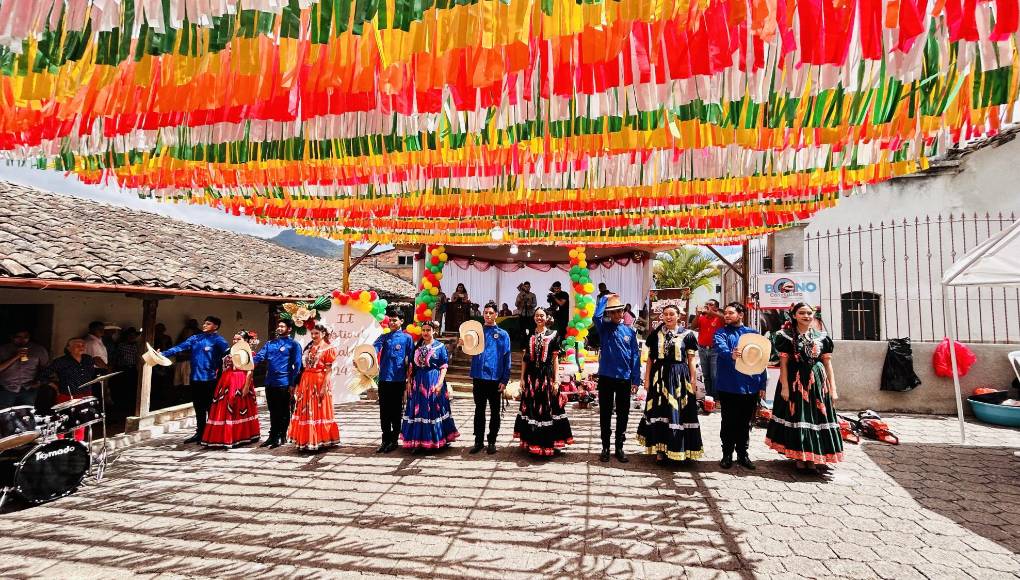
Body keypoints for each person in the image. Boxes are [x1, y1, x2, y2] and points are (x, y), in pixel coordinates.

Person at [765, 303, 844, 471]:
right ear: (794, 315)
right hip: (796, 382)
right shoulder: (784, 336)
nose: (806, 316)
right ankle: (799, 456)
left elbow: (827, 364)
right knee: (799, 416)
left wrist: (833, 389)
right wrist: (784, 387)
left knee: (817, 417)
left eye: (809, 313)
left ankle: (815, 456)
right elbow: (784, 365)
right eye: (801, 313)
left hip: (817, 383)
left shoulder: (822, 337)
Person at [636, 305, 703, 463]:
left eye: (672, 314)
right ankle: (660, 449)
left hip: (679, 377)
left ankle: (678, 448)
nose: (668, 317)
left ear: (679, 316)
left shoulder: (687, 335)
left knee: (677, 411)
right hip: (658, 378)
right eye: (665, 314)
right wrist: (646, 380)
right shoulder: (655, 335)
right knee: (659, 411)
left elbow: (691, 359)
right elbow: (650, 360)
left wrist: (693, 380)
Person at [713, 302, 768, 470]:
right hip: (728, 385)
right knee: (728, 421)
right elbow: (721, 349)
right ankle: (727, 454)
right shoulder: (721, 333)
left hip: (750, 385)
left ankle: (743, 454)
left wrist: (762, 384)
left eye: (731, 313)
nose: (727, 316)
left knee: (745, 422)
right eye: (726, 313)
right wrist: (730, 354)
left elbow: (762, 360)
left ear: (741, 315)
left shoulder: (753, 334)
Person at [514, 308, 573, 456]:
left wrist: (556, 380)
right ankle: (532, 442)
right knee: (532, 407)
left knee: (549, 406)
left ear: (547, 317)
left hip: (547, 376)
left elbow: (555, 360)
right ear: (534, 317)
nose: (539, 317)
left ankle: (548, 443)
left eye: (542, 315)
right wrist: (521, 378)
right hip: (531, 377)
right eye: (537, 315)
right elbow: (525, 359)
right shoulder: (528, 335)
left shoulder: (553, 335)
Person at [161, 316, 229, 444]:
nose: (204, 325)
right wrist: (163, 354)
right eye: (204, 323)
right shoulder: (195, 338)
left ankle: (213, 433)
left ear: (215, 327)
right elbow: (179, 347)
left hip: (211, 379)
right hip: (195, 378)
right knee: (198, 407)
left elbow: (229, 356)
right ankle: (200, 432)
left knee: (210, 407)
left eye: (208, 324)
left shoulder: (219, 340)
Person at [593, 293, 642, 463]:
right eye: (613, 312)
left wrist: (636, 379)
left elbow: (635, 356)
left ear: (623, 312)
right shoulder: (604, 328)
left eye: (619, 311)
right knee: (605, 414)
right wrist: (604, 300)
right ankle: (605, 447)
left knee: (623, 414)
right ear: (608, 314)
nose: (617, 315)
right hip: (606, 377)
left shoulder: (629, 331)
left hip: (624, 378)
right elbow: (596, 316)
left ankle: (619, 447)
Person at [401, 321, 459, 451]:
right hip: (418, 383)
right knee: (418, 410)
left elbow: (443, 366)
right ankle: (418, 442)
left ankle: (435, 440)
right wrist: (409, 381)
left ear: (434, 331)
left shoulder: (440, 347)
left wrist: (439, 383)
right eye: (424, 330)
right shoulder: (417, 347)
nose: (426, 332)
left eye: (428, 330)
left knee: (432, 409)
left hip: (433, 380)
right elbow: (411, 366)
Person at [202, 330, 261, 448]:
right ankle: (220, 437)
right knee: (222, 408)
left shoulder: (248, 352)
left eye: (239, 339)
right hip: (225, 381)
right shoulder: (228, 352)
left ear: (246, 341)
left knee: (237, 407)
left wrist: (245, 387)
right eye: (234, 339)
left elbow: (250, 371)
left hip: (240, 380)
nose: (235, 341)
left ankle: (238, 436)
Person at [466, 303, 511, 454]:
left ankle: (492, 441)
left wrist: (504, 380)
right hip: (479, 377)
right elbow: (468, 350)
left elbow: (507, 358)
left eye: (491, 313)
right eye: (486, 313)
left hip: (495, 379)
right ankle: (478, 441)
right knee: (479, 410)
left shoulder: (503, 334)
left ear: (496, 314)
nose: (488, 315)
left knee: (495, 412)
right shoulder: (476, 332)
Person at [288, 324, 341, 451]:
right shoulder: (309, 347)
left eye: (316, 333)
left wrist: (324, 387)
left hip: (319, 381)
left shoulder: (329, 349)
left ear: (323, 334)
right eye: (312, 333)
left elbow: (328, 371)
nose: (313, 336)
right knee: (305, 410)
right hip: (306, 381)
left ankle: (320, 439)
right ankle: (305, 440)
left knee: (318, 409)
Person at [254, 320, 303, 448]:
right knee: (272, 410)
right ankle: (272, 435)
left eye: (283, 326)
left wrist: (293, 383)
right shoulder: (270, 344)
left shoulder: (294, 345)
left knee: (284, 411)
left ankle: (282, 436)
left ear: (289, 329)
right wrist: (243, 360)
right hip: (270, 382)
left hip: (284, 382)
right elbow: (259, 357)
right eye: (279, 326)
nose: (279, 328)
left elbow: (297, 365)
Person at [44, 338, 100, 440]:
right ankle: (59, 445)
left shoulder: (88, 359)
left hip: (85, 395)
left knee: (82, 421)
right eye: (77, 345)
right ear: (69, 348)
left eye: (83, 344)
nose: (81, 347)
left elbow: (91, 374)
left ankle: (78, 444)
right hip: (66, 395)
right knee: (62, 422)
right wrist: (55, 387)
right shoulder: (61, 361)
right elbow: (43, 376)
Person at [373, 313, 414, 453]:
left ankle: (394, 440)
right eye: (390, 320)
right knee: (383, 411)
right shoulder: (384, 337)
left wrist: (409, 378)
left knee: (396, 411)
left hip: (398, 380)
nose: (391, 322)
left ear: (401, 321)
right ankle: (385, 439)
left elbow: (412, 359)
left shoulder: (407, 338)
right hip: (384, 378)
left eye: (394, 320)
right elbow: (373, 350)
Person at [0, 329, 49, 408]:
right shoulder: (3, 349)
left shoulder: (39, 350)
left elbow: (46, 369)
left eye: (26, 337)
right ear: (11, 337)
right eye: (18, 337)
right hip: (6, 388)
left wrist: (39, 382)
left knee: (27, 416)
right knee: (4, 416)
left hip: (29, 389)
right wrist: (16, 356)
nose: (22, 340)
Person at [690, 299, 724, 405]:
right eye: (706, 304)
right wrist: (697, 314)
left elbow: (724, 319)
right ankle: (709, 397)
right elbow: (693, 326)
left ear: (716, 308)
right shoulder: (702, 318)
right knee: (706, 375)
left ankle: (715, 398)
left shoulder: (719, 318)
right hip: (702, 348)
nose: (708, 306)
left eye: (711, 305)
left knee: (714, 375)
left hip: (715, 349)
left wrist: (712, 313)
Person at [112, 327, 141, 414]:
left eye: (134, 336)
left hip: (132, 368)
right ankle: (124, 408)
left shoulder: (136, 345)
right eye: (130, 335)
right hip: (123, 368)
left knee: (133, 388)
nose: (132, 337)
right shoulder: (121, 345)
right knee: (124, 388)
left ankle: (131, 407)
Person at [173, 319, 200, 389]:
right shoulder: (184, 332)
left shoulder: (199, 334)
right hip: (181, 360)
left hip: (189, 360)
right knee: (179, 380)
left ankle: (186, 396)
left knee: (187, 380)